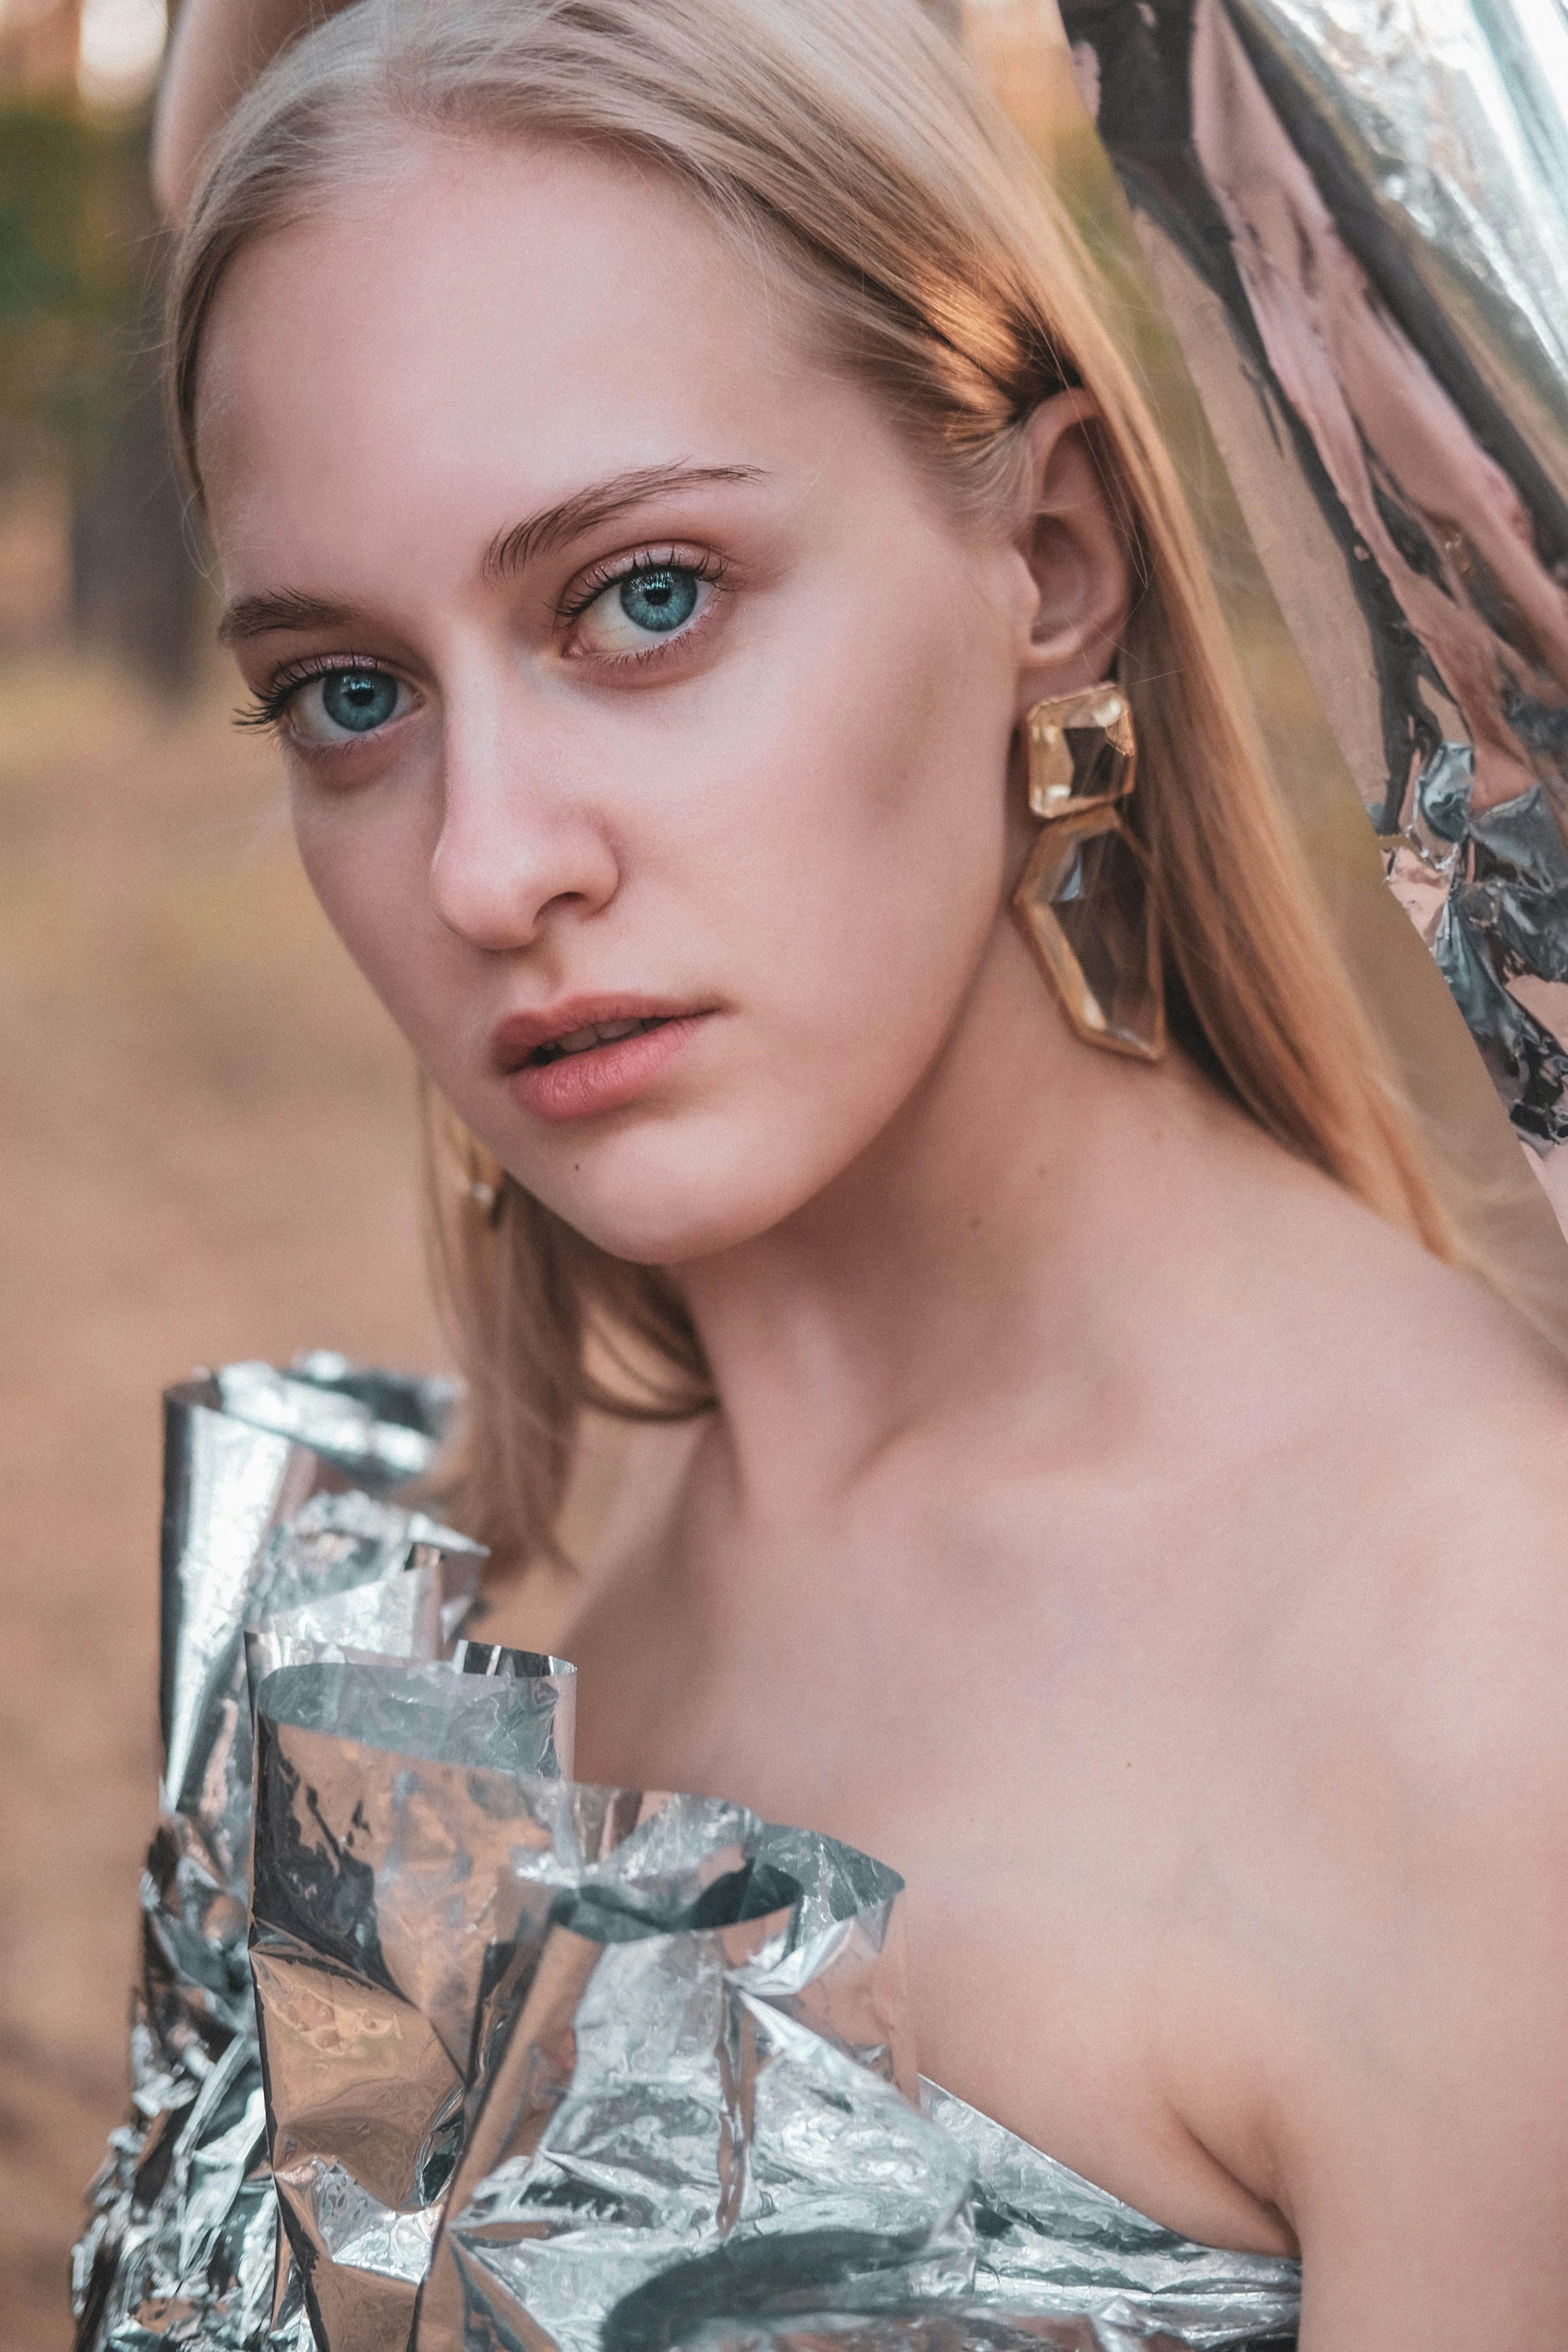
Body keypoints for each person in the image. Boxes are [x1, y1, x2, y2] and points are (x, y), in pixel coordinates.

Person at [154, 0, 1568, 2336]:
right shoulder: (498, 1598)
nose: (488, 865)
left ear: (1051, 561)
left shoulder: (1478, 1688)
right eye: (351, 693)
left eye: (644, 598)